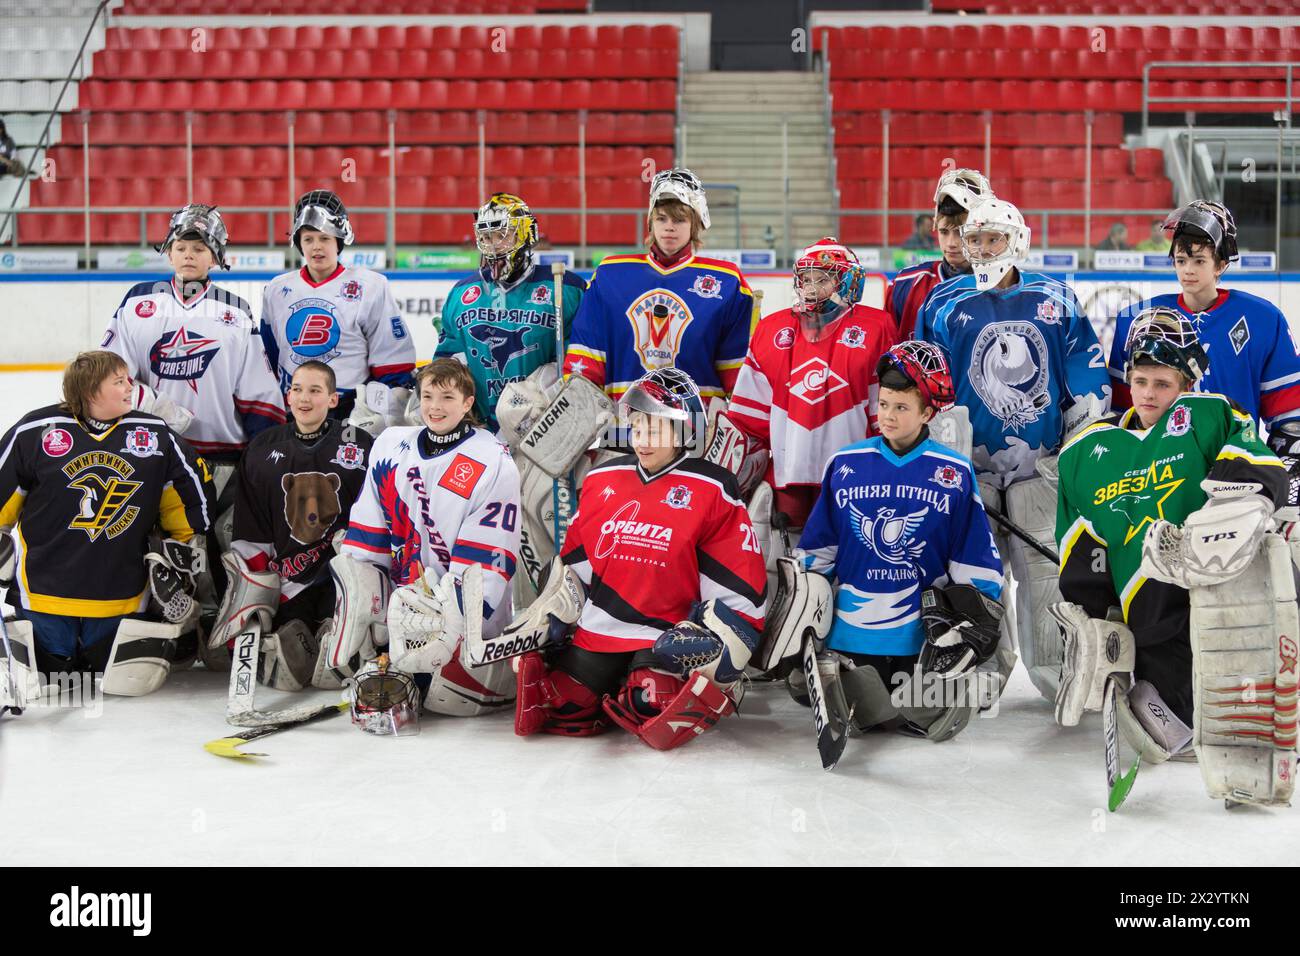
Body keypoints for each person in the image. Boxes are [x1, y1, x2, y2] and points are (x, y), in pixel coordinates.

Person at [1053, 308, 1290, 803]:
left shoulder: (1208, 414)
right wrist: (1097, 614)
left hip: (1218, 594)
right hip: (1148, 603)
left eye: (1162, 383)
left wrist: (1220, 523)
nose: (1148, 394)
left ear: (1186, 383)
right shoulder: (1087, 449)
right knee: (1170, 720)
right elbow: (1077, 536)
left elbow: (1256, 464)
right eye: (1140, 380)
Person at [915, 195, 1110, 701]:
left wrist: (1079, 432)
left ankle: (1055, 674)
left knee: (1044, 571)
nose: (981, 248)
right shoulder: (942, 302)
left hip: (1039, 463)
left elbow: (1085, 366)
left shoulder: (1056, 296)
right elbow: (924, 377)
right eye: (973, 239)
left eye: (992, 238)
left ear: (1016, 240)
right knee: (978, 572)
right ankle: (982, 677)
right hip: (968, 466)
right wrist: (938, 438)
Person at [509, 368, 767, 747]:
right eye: (637, 426)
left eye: (656, 428)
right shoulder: (602, 478)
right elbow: (576, 568)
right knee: (564, 705)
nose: (643, 439)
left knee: (649, 700)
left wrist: (720, 646)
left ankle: (632, 682)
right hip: (601, 629)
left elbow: (740, 580)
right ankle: (608, 684)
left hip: (667, 636)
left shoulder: (712, 488)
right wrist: (550, 613)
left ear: (681, 431)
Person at [788, 341, 1008, 743]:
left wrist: (975, 613)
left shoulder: (953, 471)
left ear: (928, 413)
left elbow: (972, 553)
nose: (887, 416)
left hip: (918, 636)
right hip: (851, 632)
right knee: (862, 712)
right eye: (884, 404)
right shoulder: (846, 463)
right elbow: (820, 547)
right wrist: (802, 607)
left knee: (915, 712)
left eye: (901, 408)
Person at [0, 351, 212, 702]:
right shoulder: (35, 432)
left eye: (128, 379)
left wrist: (188, 552)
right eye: (119, 382)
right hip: (45, 592)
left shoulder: (154, 435)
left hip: (121, 594)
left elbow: (187, 501)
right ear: (90, 391)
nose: (131, 387)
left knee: (118, 676)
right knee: (51, 668)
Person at [324, 358, 521, 722]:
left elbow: (486, 564)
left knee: (442, 697)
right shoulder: (391, 445)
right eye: (427, 395)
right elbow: (370, 536)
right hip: (404, 610)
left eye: (447, 397)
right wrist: (364, 601)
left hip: (459, 621)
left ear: (467, 402)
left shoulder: (491, 458)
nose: (434, 406)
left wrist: (450, 618)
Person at [206, 361, 374, 690]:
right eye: (297, 389)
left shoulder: (360, 444)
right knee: (289, 661)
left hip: (341, 578)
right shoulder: (264, 447)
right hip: (289, 581)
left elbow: (377, 515)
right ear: (288, 396)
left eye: (315, 390)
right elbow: (252, 525)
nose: (304, 398)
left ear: (333, 399)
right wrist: (256, 587)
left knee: (336, 651)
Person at [711, 237, 897, 530]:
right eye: (805, 279)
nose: (810, 288)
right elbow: (748, 419)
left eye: (822, 279)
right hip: (787, 475)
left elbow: (883, 411)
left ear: (848, 282)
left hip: (856, 475)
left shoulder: (876, 328)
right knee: (784, 561)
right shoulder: (772, 329)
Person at [1107, 200, 1300, 461]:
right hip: (1157, 470)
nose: (1188, 270)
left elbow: (1290, 417)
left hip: (1235, 468)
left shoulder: (1263, 320)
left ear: (1220, 265)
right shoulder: (1138, 320)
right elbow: (1123, 412)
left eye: (1199, 261)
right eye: (1181, 260)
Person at [102, 203, 286, 464]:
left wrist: (264, 455)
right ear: (169, 254)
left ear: (215, 258)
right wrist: (145, 402)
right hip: (150, 449)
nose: (189, 255)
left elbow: (259, 392)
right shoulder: (137, 301)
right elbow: (108, 373)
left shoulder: (236, 311)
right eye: (180, 248)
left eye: (199, 249)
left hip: (223, 456)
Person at [563, 168, 754, 410]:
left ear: (696, 224)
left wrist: (745, 424)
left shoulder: (727, 281)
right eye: (661, 218)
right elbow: (587, 357)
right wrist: (580, 412)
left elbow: (738, 373)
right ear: (650, 221)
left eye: (679, 220)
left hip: (697, 426)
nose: (669, 227)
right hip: (625, 424)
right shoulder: (611, 274)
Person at [260, 190, 416, 423]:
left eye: (325, 238)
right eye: (308, 239)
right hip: (294, 412)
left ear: (339, 241)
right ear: (299, 243)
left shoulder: (371, 286)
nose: (316, 247)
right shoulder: (276, 290)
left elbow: (392, 362)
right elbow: (268, 360)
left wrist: (379, 414)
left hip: (350, 412)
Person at [435, 193, 587, 432]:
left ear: (526, 234)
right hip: (482, 428)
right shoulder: (462, 293)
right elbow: (448, 359)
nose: (493, 245)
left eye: (502, 236)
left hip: (545, 426)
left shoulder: (565, 287)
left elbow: (582, 360)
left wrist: (549, 386)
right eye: (486, 237)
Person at [885, 169, 991, 340]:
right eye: (944, 232)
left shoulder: (1001, 286)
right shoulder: (905, 284)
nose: (951, 243)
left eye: (960, 233)